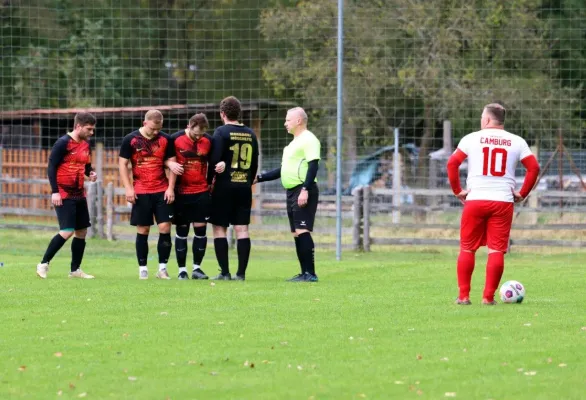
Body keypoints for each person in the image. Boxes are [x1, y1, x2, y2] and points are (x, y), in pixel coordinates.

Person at [446, 103, 540, 305]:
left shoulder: (471, 139)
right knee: (496, 250)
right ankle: (488, 298)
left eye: (482, 117)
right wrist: (522, 193)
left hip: (476, 199)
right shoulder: (517, 141)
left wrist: (457, 191)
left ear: (487, 119)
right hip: (502, 201)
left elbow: (452, 163)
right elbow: (534, 168)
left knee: (467, 249)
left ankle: (463, 296)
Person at [255, 107, 321, 282]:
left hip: (303, 189)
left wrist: (305, 189)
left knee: (302, 230)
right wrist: (259, 178)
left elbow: (313, 166)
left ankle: (311, 274)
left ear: (299, 120)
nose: (285, 123)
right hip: (291, 191)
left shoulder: (309, 140)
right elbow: (283, 170)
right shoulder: (293, 144)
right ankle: (303, 273)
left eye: (288, 120)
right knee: (296, 233)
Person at [36, 112, 98, 279]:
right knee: (67, 231)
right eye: (89, 129)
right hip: (63, 193)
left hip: (79, 194)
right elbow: (51, 167)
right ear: (78, 126)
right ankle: (43, 264)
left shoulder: (86, 144)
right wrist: (55, 191)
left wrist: (91, 174)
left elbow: (86, 167)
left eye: (93, 129)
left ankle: (75, 270)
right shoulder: (63, 143)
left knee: (82, 231)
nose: (91, 132)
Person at [119, 110, 177, 280]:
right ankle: (142, 269)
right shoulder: (130, 139)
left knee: (165, 227)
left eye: (159, 129)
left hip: (162, 189)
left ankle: (162, 269)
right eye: (153, 129)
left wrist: (171, 188)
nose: (156, 132)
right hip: (141, 190)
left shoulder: (166, 139)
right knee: (143, 229)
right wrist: (128, 188)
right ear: (145, 123)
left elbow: (173, 165)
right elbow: (123, 164)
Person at [208, 96, 259, 280]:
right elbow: (254, 163)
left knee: (219, 228)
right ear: (239, 113)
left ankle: (225, 273)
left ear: (222, 114)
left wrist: (208, 183)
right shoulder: (251, 134)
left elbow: (214, 161)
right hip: (244, 186)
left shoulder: (221, 132)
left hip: (224, 187)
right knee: (242, 229)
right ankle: (241, 274)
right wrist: (249, 180)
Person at [169, 113, 225, 280]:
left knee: (200, 230)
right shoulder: (175, 139)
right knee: (182, 230)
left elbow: (218, 160)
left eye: (201, 134)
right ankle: (181, 271)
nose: (198, 137)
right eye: (195, 134)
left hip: (201, 191)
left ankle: (196, 269)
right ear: (189, 126)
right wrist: (170, 163)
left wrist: (223, 163)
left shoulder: (208, 141)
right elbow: (165, 159)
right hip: (181, 192)